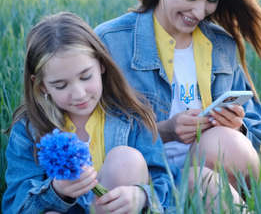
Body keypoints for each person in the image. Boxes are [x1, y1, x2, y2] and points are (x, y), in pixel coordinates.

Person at [95, 0, 261, 198]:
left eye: (211, 1)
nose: (199, 12)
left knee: (227, 146)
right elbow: (88, 125)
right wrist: (164, 131)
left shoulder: (221, 45)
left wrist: (238, 128)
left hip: (205, 173)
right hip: (141, 175)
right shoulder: (112, 41)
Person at [2, 12, 176, 213]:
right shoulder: (28, 130)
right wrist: (57, 191)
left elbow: (166, 184)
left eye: (85, 77)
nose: (78, 94)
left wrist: (142, 196)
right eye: (60, 85)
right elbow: (15, 206)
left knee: (126, 159)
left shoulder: (131, 118)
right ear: (41, 86)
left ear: (101, 64)